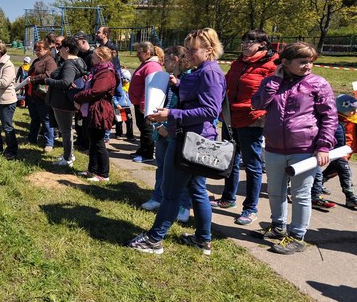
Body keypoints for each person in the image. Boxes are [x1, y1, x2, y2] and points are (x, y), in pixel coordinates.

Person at [126, 28, 227, 255]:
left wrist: (170, 114)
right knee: (197, 190)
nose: (187, 55)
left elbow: (210, 110)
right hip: (192, 138)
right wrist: (178, 86)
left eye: (193, 50)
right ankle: (202, 240)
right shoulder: (204, 69)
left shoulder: (210, 72)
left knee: (171, 192)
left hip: (190, 141)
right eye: (187, 49)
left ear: (209, 50)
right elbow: (197, 99)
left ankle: (154, 240)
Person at [251, 42, 337, 255]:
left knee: (300, 194)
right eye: (303, 62)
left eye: (311, 62)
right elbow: (258, 104)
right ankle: (278, 226)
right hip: (274, 148)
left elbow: (329, 117)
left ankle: (297, 236)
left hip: (304, 149)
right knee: (274, 191)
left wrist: (324, 146)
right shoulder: (271, 82)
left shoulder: (318, 84)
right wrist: (274, 82)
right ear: (285, 62)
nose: (308, 66)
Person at [211, 30, 278, 225]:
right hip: (230, 117)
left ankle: (250, 208)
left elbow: (273, 93)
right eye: (244, 41)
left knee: (252, 165)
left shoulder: (271, 65)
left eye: (250, 41)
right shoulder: (238, 62)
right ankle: (228, 198)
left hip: (252, 119)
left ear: (263, 44)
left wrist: (262, 113)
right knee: (229, 160)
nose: (246, 44)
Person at [140, 46, 192, 223]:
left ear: (176, 60)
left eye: (167, 60)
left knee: (180, 171)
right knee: (161, 166)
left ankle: (184, 205)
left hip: (176, 131)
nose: (163, 63)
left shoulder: (187, 79)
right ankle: (158, 197)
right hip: (162, 128)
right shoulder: (168, 78)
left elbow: (182, 108)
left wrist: (168, 127)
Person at [73, 46, 117, 182]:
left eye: (94, 57)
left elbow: (97, 91)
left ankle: (103, 174)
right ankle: (92, 170)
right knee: (92, 141)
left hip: (100, 110)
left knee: (98, 142)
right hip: (92, 109)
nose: (91, 59)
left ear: (101, 58)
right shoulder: (97, 70)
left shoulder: (106, 72)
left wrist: (78, 97)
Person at [45, 36, 85, 167]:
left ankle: (68, 158)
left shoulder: (69, 64)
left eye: (61, 47)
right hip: (66, 102)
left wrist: (48, 81)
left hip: (63, 103)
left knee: (66, 131)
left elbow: (65, 82)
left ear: (67, 48)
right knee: (67, 130)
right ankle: (68, 154)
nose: (59, 49)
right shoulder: (80, 61)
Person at [128, 41, 163, 162]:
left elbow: (150, 87)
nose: (137, 55)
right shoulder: (146, 64)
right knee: (142, 128)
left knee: (146, 129)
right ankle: (142, 149)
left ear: (147, 52)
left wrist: (143, 104)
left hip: (145, 104)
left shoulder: (152, 66)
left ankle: (147, 154)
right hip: (139, 103)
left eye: (139, 52)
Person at [322, 95, 357, 209]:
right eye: (352, 110)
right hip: (338, 151)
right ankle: (350, 197)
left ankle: (316, 184)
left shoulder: (352, 119)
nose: (354, 112)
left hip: (347, 152)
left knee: (333, 171)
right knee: (345, 172)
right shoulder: (335, 120)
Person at [23, 41, 57, 152]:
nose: (37, 52)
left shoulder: (50, 60)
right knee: (35, 119)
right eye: (36, 50)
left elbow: (49, 74)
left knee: (46, 120)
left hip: (41, 95)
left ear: (46, 50)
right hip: (32, 94)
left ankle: (49, 143)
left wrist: (33, 79)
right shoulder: (37, 60)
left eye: (39, 50)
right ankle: (32, 138)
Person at [113, 68, 134, 141]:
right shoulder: (118, 88)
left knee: (129, 121)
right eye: (124, 79)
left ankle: (130, 135)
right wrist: (116, 104)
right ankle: (118, 134)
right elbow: (114, 97)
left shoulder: (128, 87)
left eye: (128, 79)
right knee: (119, 121)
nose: (126, 81)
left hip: (127, 106)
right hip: (120, 107)